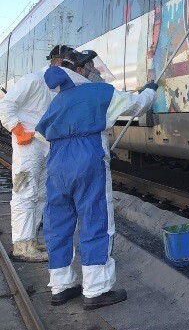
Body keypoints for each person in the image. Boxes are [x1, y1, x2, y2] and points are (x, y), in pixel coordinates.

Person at [36, 50, 158, 309]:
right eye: (92, 66)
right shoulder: (99, 92)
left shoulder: (58, 100)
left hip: (57, 161)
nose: (97, 71)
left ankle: (61, 286)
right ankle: (96, 290)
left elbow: (44, 131)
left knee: (58, 224)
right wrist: (150, 90)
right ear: (80, 71)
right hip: (87, 159)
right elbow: (138, 105)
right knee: (96, 219)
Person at [0, 45, 73, 262]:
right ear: (59, 62)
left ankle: (30, 239)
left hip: (45, 144)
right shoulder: (33, 80)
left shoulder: (58, 86)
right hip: (28, 145)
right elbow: (6, 105)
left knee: (41, 194)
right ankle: (21, 245)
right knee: (24, 192)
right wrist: (18, 130)